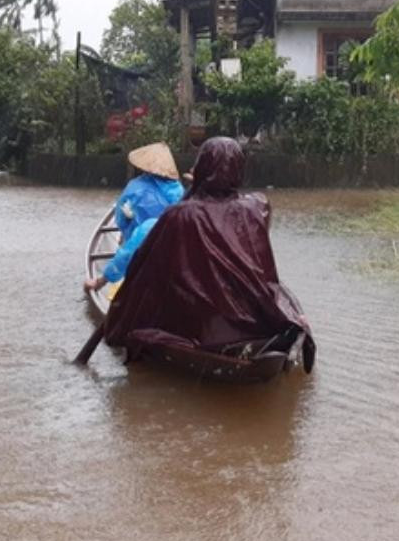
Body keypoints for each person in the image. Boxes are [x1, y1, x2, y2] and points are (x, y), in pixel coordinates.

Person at [96, 137, 314, 371]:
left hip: (200, 324)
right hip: (254, 319)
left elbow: (145, 272)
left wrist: (120, 316)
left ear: (201, 168)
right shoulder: (257, 208)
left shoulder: (178, 215)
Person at [84, 142, 184, 293]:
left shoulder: (137, 189)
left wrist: (101, 281)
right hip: (176, 256)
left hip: (146, 251)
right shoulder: (180, 191)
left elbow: (125, 227)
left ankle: (103, 281)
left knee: (132, 244)